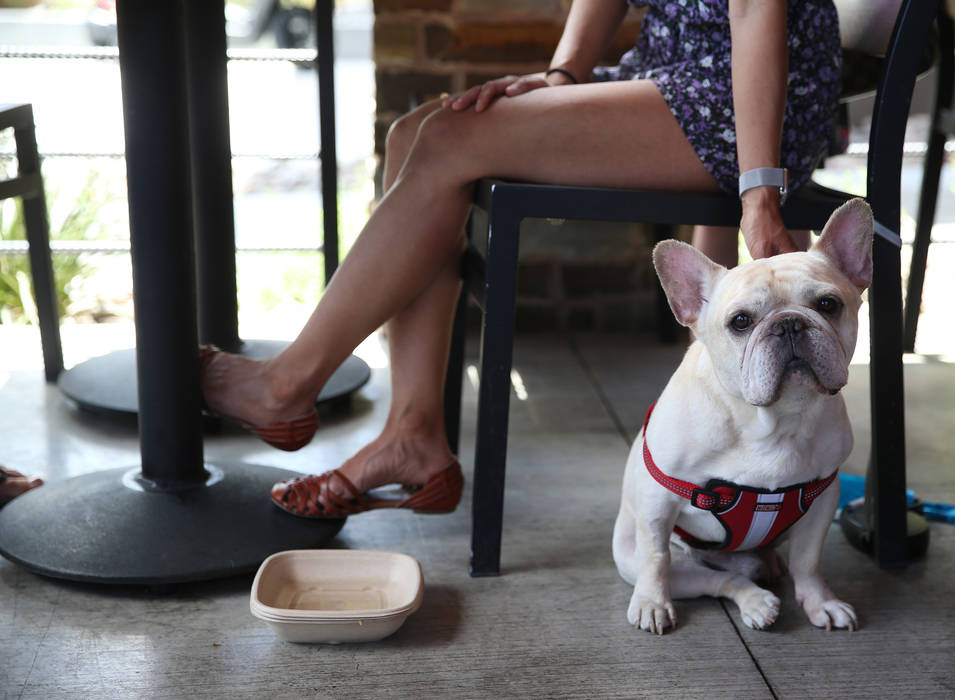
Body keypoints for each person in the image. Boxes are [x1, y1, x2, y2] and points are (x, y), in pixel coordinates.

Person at [200, 0, 842, 518]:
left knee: (451, 138)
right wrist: (562, 77)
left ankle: (288, 385)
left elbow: (758, 10)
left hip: (752, 92)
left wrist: (759, 191)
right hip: (668, 71)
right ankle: (412, 434)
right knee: (414, 134)